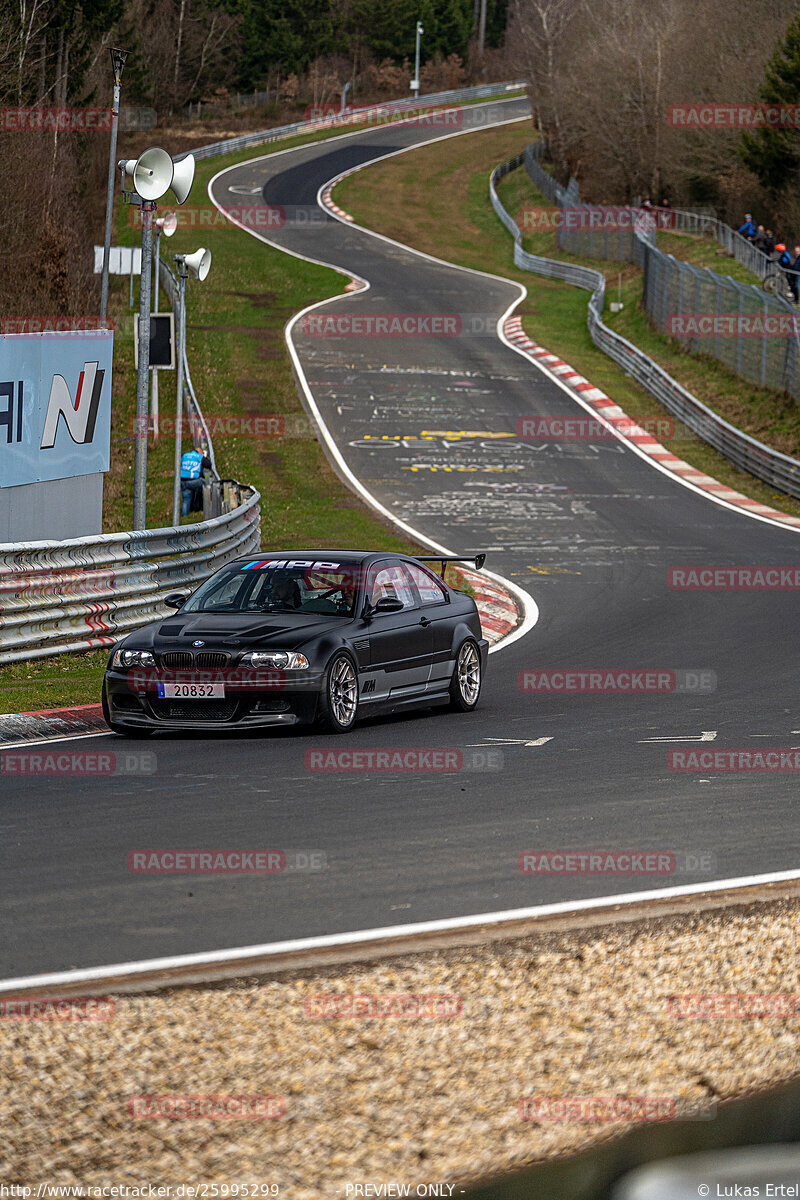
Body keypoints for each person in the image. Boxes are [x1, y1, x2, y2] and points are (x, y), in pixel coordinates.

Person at [180, 448, 212, 517]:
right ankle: (202, 506)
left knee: (186, 500)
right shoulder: (199, 457)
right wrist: (204, 457)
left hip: (182, 480)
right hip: (194, 481)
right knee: (204, 482)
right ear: (200, 452)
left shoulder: (185, 455)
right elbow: (208, 465)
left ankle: (184, 516)